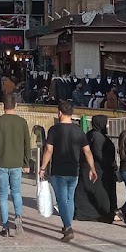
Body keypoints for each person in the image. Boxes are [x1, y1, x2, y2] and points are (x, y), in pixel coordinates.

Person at [40, 101, 97, 242]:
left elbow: (48, 150)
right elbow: (87, 151)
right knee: (70, 198)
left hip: (59, 170)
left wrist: (42, 167)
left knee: (61, 200)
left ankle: (68, 227)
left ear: (59, 112)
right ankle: (67, 224)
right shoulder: (79, 131)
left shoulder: (54, 130)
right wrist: (92, 168)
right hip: (73, 170)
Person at [0, 93, 31, 237]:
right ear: (16, 105)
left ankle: (5, 226)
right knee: (16, 192)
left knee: (3, 195)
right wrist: (26, 162)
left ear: (2, 106)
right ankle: (18, 217)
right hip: (17, 163)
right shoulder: (22, 122)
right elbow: (27, 144)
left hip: (1, 162)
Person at [75, 114, 117, 225]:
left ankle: (85, 213)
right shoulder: (97, 137)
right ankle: (102, 214)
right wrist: (109, 163)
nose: (107, 125)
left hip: (90, 168)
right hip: (98, 170)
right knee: (100, 194)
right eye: (106, 123)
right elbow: (98, 153)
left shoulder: (91, 134)